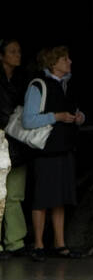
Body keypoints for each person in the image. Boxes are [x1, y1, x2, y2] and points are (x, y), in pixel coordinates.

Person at [22, 46, 84, 259]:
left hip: (65, 148)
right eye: (65, 59)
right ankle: (38, 244)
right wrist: (56, 117)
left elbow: (74, 110)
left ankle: (60, 244)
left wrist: (78, 118)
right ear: (52, 62)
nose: (69, 62)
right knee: (42, 198)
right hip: (46, 150)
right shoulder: (38, 85)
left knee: (60, 198)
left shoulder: (67, 85)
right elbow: (28, 120)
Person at [0, 39, 31, 257]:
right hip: (2, 137)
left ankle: (15, 241)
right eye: (12, 51)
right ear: (1, 55)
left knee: (15, 194)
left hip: (18, 141)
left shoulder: (23, 80)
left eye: (19, 51)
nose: (17, 55)